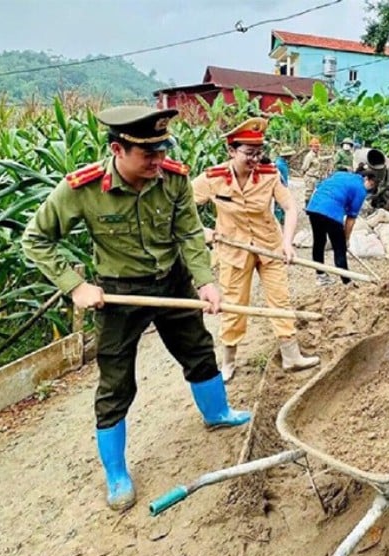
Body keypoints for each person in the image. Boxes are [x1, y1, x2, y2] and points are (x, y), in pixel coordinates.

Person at [21, 106, 250, 512]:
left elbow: (189, 232)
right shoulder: (83, 189)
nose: (158, 161)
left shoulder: (174, 179)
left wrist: (205, 280)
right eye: (148, 155)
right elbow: (36, 239)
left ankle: (218, 412)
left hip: (172, 281)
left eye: (162, 151)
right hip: (119, 293)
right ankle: (116, 475)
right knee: (116, 382)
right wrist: (76, 286)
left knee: (198, 350)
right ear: (118, 150)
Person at [192, 118, 319, 382]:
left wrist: (286, 243)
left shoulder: (269, 174)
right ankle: (228, 361)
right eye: (248, 153)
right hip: (233, 252)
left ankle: (291, 355)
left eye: (258, 153)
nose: (254, 159)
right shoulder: (213, 178)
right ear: (231, 150)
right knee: (234, 306)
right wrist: (202, 231)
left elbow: (290, 207)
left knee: (280, 299)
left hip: (269, 248)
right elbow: (181, 207)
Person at [292, 169, 378, 285]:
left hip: (315, 207)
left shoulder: (339, 174)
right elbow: (351, 219)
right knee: (339, 247)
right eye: (371, 185)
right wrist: (346, 239)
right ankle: (347, 282)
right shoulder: (361, 190)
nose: (369, 189)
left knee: (319, 241)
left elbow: (321, 186)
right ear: (366, 178)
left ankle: (320, 276)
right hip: (331, 211)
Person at [273, 147, 295, 224]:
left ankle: (282, 219)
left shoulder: (283, 163)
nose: (291, 157)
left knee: (283, 204)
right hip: (279, 187)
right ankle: (277, 222)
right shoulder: (278, 164)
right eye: (290, 155)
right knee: (279, 205)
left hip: (283, 186)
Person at [301, 137, 324, 204]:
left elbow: (320, 159)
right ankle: (307, 206)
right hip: (310, 176)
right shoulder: (309, 156)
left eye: (318, 146)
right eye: (315, 147)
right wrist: (305, 176)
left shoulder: (317, 155)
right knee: (309, 192)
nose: (317, 148)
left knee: (318, 191)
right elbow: (304, 167)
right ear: (311, 147)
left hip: (316, 176)